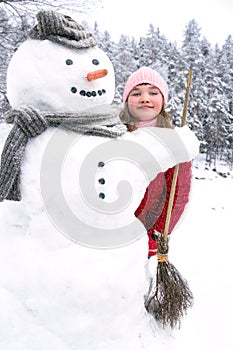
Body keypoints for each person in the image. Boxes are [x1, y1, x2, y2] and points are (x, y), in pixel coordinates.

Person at [119, 66, 192, 258]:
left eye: (153, 92)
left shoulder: (173, 143)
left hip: (147, 237)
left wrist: (156, 235)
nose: (145, 98)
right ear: (126, 102)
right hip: (113, 233)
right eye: (136, 93)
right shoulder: (113, 136)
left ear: (163, 101)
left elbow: (178, 194)